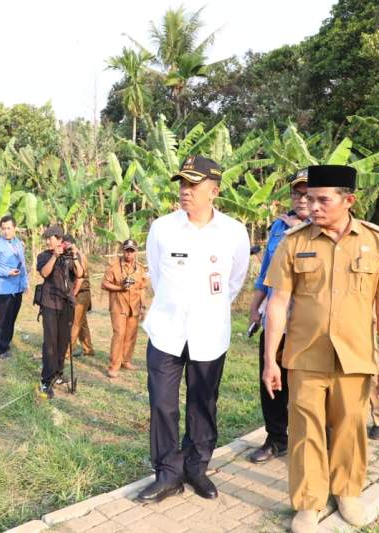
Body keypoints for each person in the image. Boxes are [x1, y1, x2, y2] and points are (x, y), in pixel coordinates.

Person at [262, 165, 379, 532]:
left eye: (322, 200)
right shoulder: (294, 242)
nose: (312, 206)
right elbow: (278, 303)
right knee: (305, 431)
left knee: (350, 429)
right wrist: (270, 360)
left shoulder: (378, 243)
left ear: (349, 200)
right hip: (304, 355)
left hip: (355, 356)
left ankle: (347, 491)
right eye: (309, 199)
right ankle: (308, 502)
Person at [136, 155, 250, 504]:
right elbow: (157, 277)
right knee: (162, 404)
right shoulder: (162, 228)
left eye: (193, 184)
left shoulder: (233, 232)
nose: (185, 191)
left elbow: (234, 282)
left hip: (209, 334)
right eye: (183, 184)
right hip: (167, 331)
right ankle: (168, 475)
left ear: (214, 190)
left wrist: (207, 310)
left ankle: (196, 467)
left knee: (203, 404)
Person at [246, 170, 310, 463]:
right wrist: (255, 305)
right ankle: (276, 438)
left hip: (309, 321)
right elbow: (266, 272)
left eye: (308, 194)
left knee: (307, 383)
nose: (302, 199)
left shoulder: (324, 229)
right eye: (297, 193)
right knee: (271, 378)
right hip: (276, 317)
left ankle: (311, 439)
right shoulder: (278, 227)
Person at [36, 225, 84, 399]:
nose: (47, 242)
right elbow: (44, 273)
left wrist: (75, 256)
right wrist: (54, 257)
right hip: (49, 303)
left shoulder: (70, 255)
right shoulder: (44, 256)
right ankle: (46, 380)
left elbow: (80, 274)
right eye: (46, 239)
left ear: (59, 239)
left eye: (50, 239)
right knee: (50, 342)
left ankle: (58, 372)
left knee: (63, 341)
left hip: (66, 303)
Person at [101, 238, 149, 378]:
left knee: (131, 335)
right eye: (127, 251)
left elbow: (142, 288)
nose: (129, 254)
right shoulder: (114, 267)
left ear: (136, 252)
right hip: (118, 305)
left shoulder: (140, 268)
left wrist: (143, 306)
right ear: (123, 251)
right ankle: (114, 365)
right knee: (119, 334)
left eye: (131, 251)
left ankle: (126, 360)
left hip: (134, 306)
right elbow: (104, 284)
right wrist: (120, 288)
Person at [0, 215, 28, 359]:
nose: (6, 231)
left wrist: (25, 282)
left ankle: (6, 344)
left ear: (14, 228)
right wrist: (7, 272)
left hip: (17, 288)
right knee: (4, 320)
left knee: (12, 318)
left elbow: (22, 263)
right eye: (3, 228)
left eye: (8, 228)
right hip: (3, 288)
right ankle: (0, 349)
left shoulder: (18, 243)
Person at [64, 234, 94, 358]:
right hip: (81, 292)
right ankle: (88, 349)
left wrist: (73, 294)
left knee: (75, 323)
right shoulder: (70, 255)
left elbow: (80, 278)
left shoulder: (78, 255)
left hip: (81, 293)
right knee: (82, 322)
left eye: (65, 244)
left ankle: (67, 352)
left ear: (71, 244)